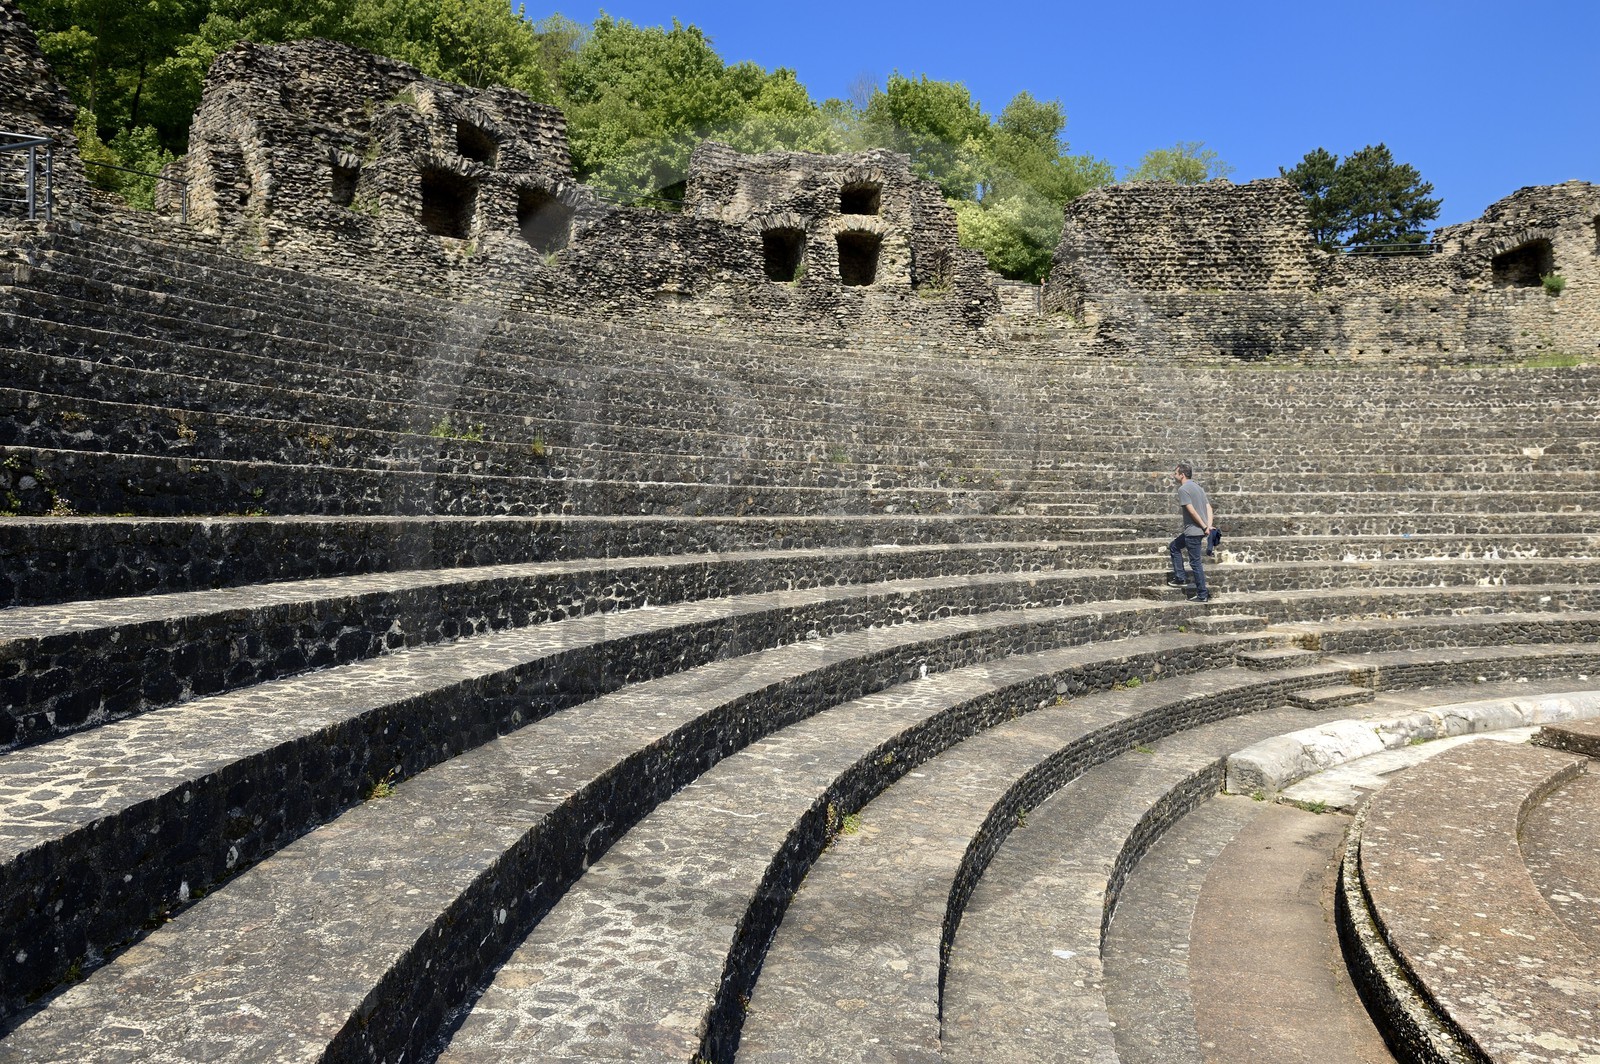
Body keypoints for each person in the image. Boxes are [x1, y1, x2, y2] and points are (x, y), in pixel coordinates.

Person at [1166, 463, 1214, 602]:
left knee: (1195, 563)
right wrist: (1208, 526)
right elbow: (1209, 507)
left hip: (1193, 531)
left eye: (1175, 473)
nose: (1173, 475)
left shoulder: (1183, 489)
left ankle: (1202, 595)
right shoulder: (1198, 487)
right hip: (1198, 530)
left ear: (1182, 475)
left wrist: (1204, 526)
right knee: (1174, 546)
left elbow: (1191, 510)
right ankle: (1180, 577)